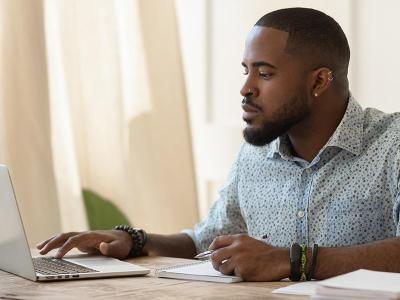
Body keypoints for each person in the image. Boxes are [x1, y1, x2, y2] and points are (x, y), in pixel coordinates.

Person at [37, 7, 400, 281]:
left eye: (265, 73)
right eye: (246, 71)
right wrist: (134, 239)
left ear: (319, 81)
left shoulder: (392, 143)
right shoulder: (256, 152)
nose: (246, 89)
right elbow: (207, 239)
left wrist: (293, 260)